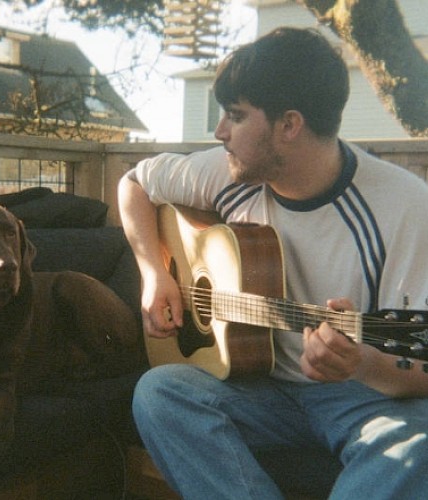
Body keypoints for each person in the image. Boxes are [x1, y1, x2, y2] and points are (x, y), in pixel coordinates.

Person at [118, 27, 428, 499]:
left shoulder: (404, 206)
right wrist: (153, 272)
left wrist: (358, 362)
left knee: (416, 445)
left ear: (289, 125)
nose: (219, 132)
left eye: (236, 116)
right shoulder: (229, 172)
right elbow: (133, 186)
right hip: (258, 389)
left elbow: (420, 370)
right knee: (160, 393)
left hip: (359, 398)